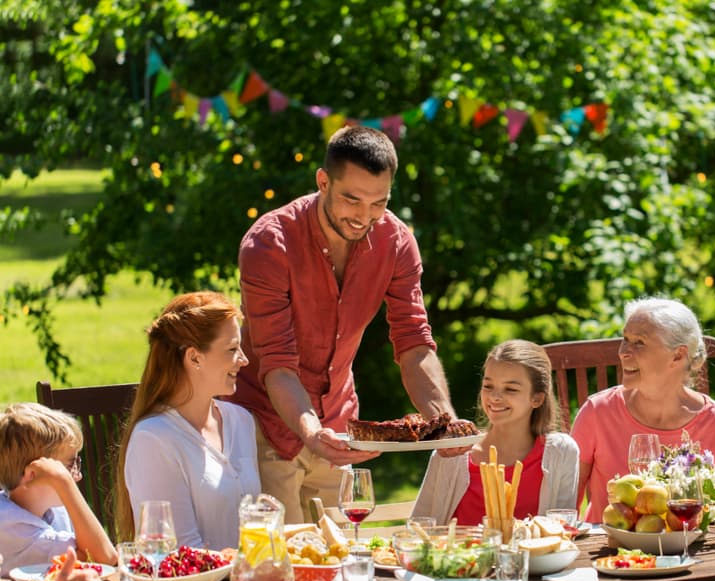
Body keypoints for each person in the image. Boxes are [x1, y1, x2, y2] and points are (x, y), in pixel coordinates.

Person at [233, 125, 460, 522]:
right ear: (323, 181)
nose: (364, 217)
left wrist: (444, 422)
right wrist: (310, 431)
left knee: (339, 563)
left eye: (378, 204)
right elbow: (277, 363)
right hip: (264, 426)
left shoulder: (396, 242)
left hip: (338, 424)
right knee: (279, 565)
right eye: (351, 200)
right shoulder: (269, 244)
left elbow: (414, 343)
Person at [571, 297, 715, 524]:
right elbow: (564, 511)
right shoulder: (597, 413)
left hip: (688, 553)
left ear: (677, 355)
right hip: (610, 553)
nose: (623, 352)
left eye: (639, 343)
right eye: (625, 339)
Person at [115, 291, 260, 550]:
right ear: (194, 357)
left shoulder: (240, 421)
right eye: (232, 349)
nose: (244, 360)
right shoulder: (154, 439)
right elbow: (176, 553)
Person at [411, 340, 578, 524]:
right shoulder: (451, 454)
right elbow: (419, 529)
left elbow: (563, 531)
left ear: (537, 399)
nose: (494, 397)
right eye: (488, 386)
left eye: (510, 389)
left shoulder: (561, 452)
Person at [0, 403, 116, 574]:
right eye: (69, 466)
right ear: (33, 473)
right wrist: (64, 483)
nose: (78, 476)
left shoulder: (55, 509)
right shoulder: (12, 524)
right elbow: (104, 559)